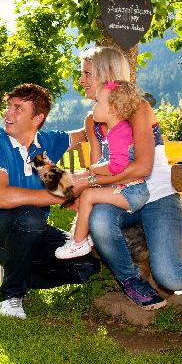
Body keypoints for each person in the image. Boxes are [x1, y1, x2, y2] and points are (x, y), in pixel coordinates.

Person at [73, 46, 182, 321]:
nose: (81, 80)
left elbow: (142, 168)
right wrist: (88, 187)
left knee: (169, 274)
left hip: (157, 197)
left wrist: (90, 180)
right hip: (123, 197)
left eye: (86, 73)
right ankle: (132, 281)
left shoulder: (138, 108)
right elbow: (98, 169)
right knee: (98, 219)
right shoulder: (93, 120)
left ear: (106, 75)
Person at [0, 83, 100, 319]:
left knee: (86, 265)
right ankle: (11, 296)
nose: (8, 113)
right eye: (9, 106)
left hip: (32, 230)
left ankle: (17, 270)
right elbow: (1, 197)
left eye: (18, 108)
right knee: (30, 215)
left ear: (37, 118)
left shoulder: (41, 149)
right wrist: (59, 195)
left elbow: (81, 137)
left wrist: (93, 116)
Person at [55, 80, 149, 259]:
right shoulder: (119, 129)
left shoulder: (117, 134)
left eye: (98, 102)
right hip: (128, 188)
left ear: (112, 109)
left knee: (88, 196)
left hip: (132, 192)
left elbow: (116, 166)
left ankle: (78, 242)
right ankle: (88, 236)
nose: (94, 106)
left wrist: (92, 170)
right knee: (87, 194)